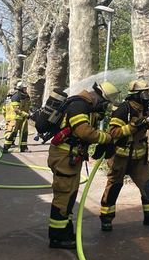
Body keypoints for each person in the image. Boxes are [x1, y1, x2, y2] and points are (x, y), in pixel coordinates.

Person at [47, 81, 120, 249]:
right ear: (99, 99)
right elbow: (84, 132)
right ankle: (58, 237)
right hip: (64, 157)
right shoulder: (79, 105)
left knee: (69, 195)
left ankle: (64, 232)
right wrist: (107, 138)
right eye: (106, 104)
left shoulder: (85, 106)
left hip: (69, 156)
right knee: (63, 196)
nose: (106, 108)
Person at [100, 79, 149, 232]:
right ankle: (106, 219)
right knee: (114, 187)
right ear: (135, 95)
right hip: (120, 157)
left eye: (147, 92)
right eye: (144, 93)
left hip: (140, 158)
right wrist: (136, 125)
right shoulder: (122, 109)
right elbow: (114, 132)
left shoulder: (145, 108)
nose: (147, 96)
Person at [2, 80, 31, 153]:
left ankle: (23, 148)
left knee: (24, 133)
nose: (25, 89)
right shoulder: (16, 96)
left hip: (23, 118)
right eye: (24, 88)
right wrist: (26, 114)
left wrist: (30, 112)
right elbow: (16, 109)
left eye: (26, 88)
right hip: (15, 119)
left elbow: (28, 106)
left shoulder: (26, 96)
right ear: (20, 88)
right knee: (12, 133)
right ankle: (6, 148)